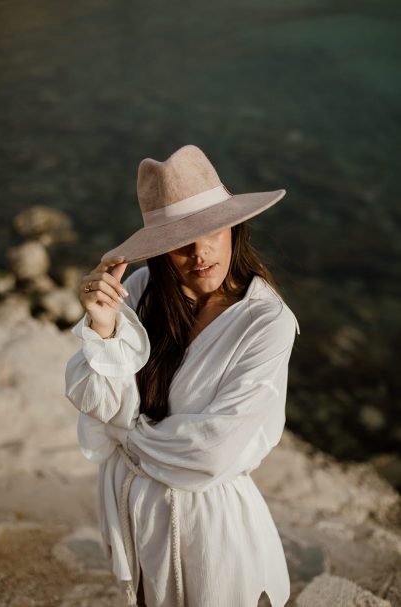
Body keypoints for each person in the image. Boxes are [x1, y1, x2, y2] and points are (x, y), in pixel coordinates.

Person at [64, 144, 300, 607]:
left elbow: (213, 452)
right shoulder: (142, 291)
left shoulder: (266, 323)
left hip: (210, 526)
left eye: (211, 229)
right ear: (159, 249)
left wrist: (127, 435)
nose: (199, 251)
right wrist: (102, 326)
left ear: (234, 224)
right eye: (179, 240)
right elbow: (94, 400)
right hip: (137, 515)